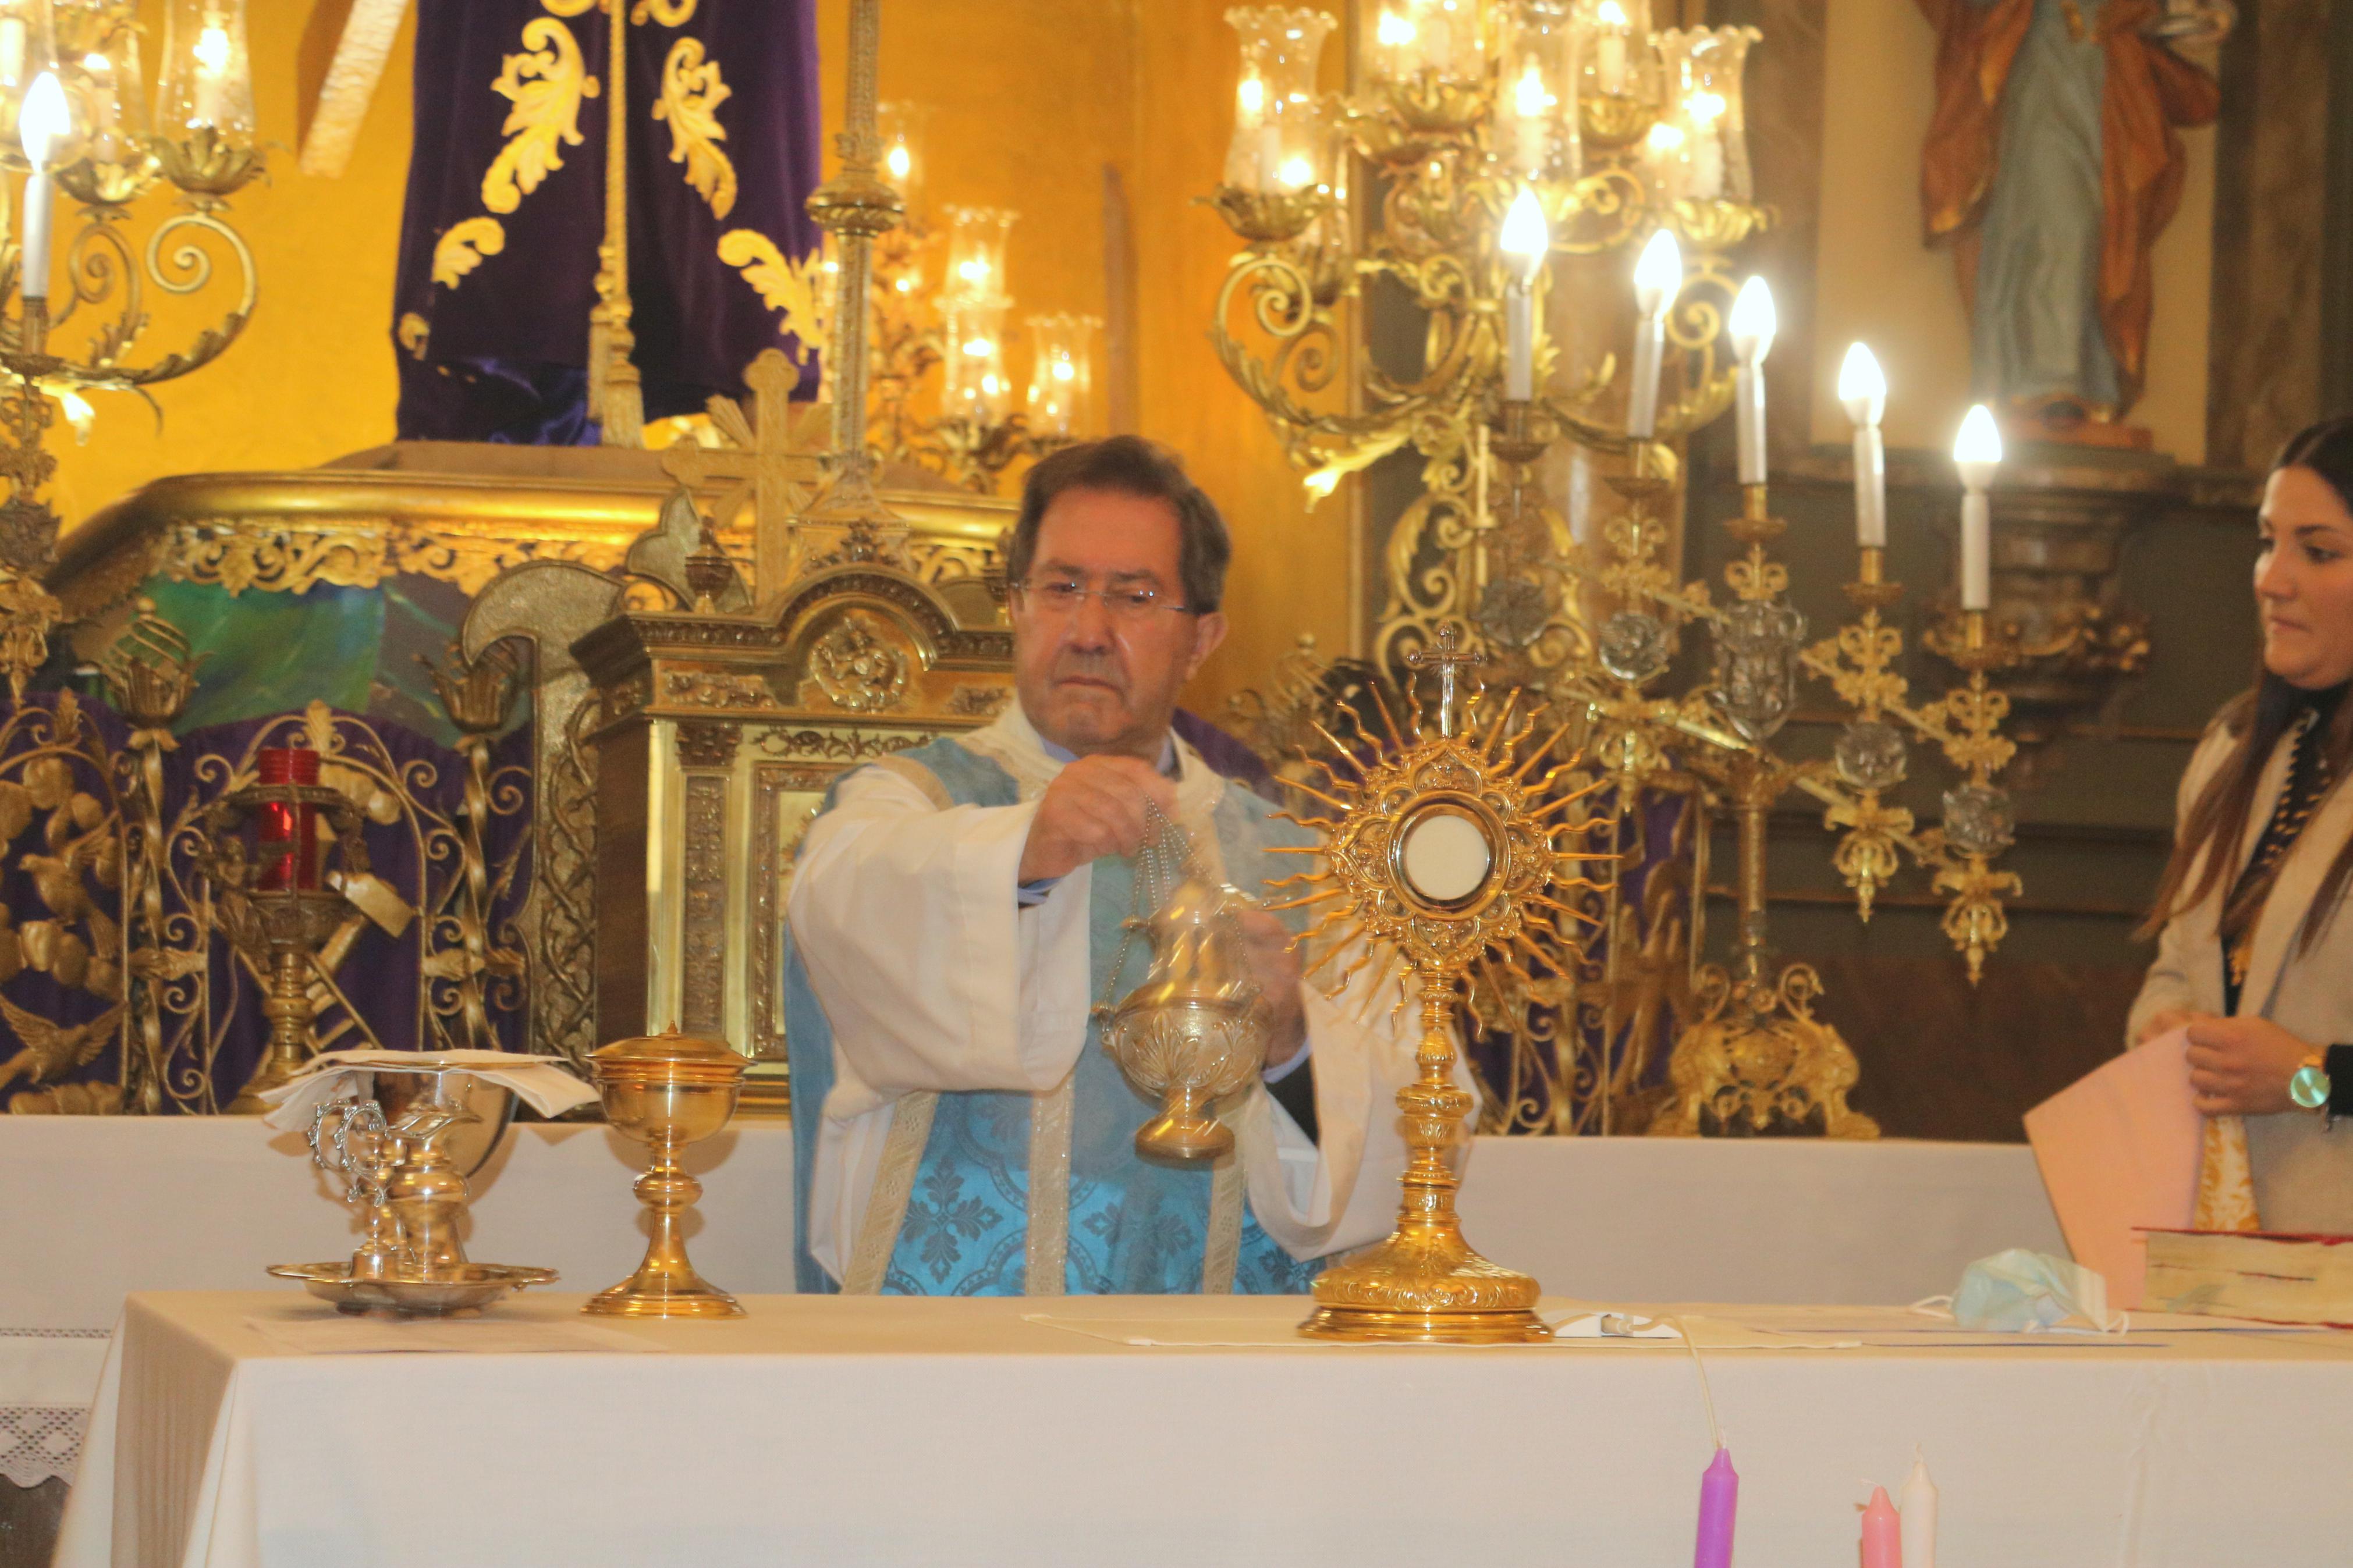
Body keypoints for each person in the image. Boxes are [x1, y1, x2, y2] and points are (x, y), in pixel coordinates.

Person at [783, 436, 1432, 1295]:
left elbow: (1416, 1120)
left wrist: (1290, 1040)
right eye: (1059, 588)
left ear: (1203, 639)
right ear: (1015, 606)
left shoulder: (1300, 865)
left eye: (1136, 596)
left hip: (1220, 1361)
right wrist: (1022, 855)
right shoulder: (913, 803)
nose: (1088, 630)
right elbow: (841, 904)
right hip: (957, 1352)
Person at [2129, 417, 2353, 1231]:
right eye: (2268, 542)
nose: (2271, 578)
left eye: (2319, 551)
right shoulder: (2233, 752)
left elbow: (2302, 1072)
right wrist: (2164, 1034)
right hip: (2218, 1246)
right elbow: (2176, 967)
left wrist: (2306, 1076)